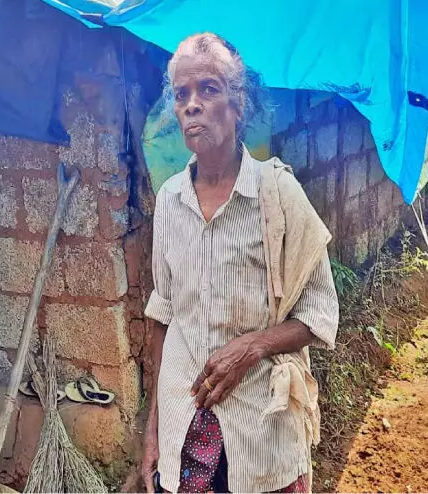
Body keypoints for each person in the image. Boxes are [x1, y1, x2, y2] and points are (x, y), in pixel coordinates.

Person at [141, 33, 339, 493]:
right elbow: (163, 317)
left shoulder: (277, 194)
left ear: (238, 103)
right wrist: (152, 430)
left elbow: (320, 311)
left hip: (260, 427)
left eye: (208, 89)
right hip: (184, 423)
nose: (192, 105)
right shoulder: (169, 201)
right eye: (182, 94)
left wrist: (253, 347)